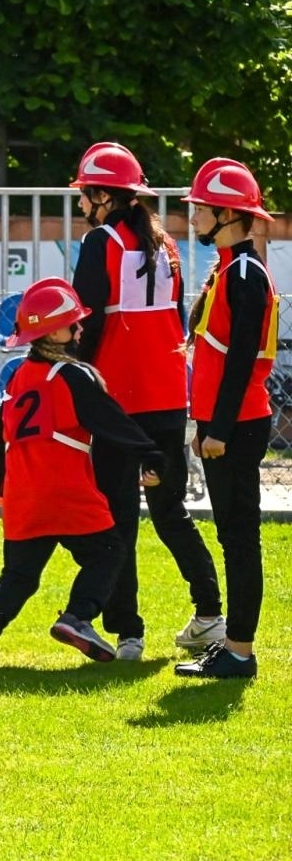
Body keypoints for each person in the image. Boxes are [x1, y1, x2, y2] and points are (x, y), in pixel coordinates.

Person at [0, 279, 165, 669]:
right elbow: (111, 422)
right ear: (53, 331)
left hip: (23, 491)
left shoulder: (18, 377)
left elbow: (0, 434)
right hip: (65, 488)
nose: (79, 329)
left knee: (19, 575)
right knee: (108, 553)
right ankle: (77, 618)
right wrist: (152, 453)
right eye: (72, 323)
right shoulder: (73, 376)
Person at [68, 142, 219, 662]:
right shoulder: (168, 246)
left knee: (118, 517)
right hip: (167, 395)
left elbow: (83, 326)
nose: (82, 205)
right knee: (170, 509)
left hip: (116, 399)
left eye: (85, 195)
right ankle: (211, 613)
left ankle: (128, 633)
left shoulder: (98, 243)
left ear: (104, 196)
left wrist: (75, 384)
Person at [175, 157, 278, 679]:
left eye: (201, 208)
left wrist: (217, 429)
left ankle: (239, 650)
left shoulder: (243, 272)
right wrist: (206, 424)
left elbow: (241, 361)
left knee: (239, 536)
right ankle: (235, 647)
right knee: (234, 535)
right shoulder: (230, 268)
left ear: (227, 213)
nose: (192, 216)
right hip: (226, 422)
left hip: (235, 425)